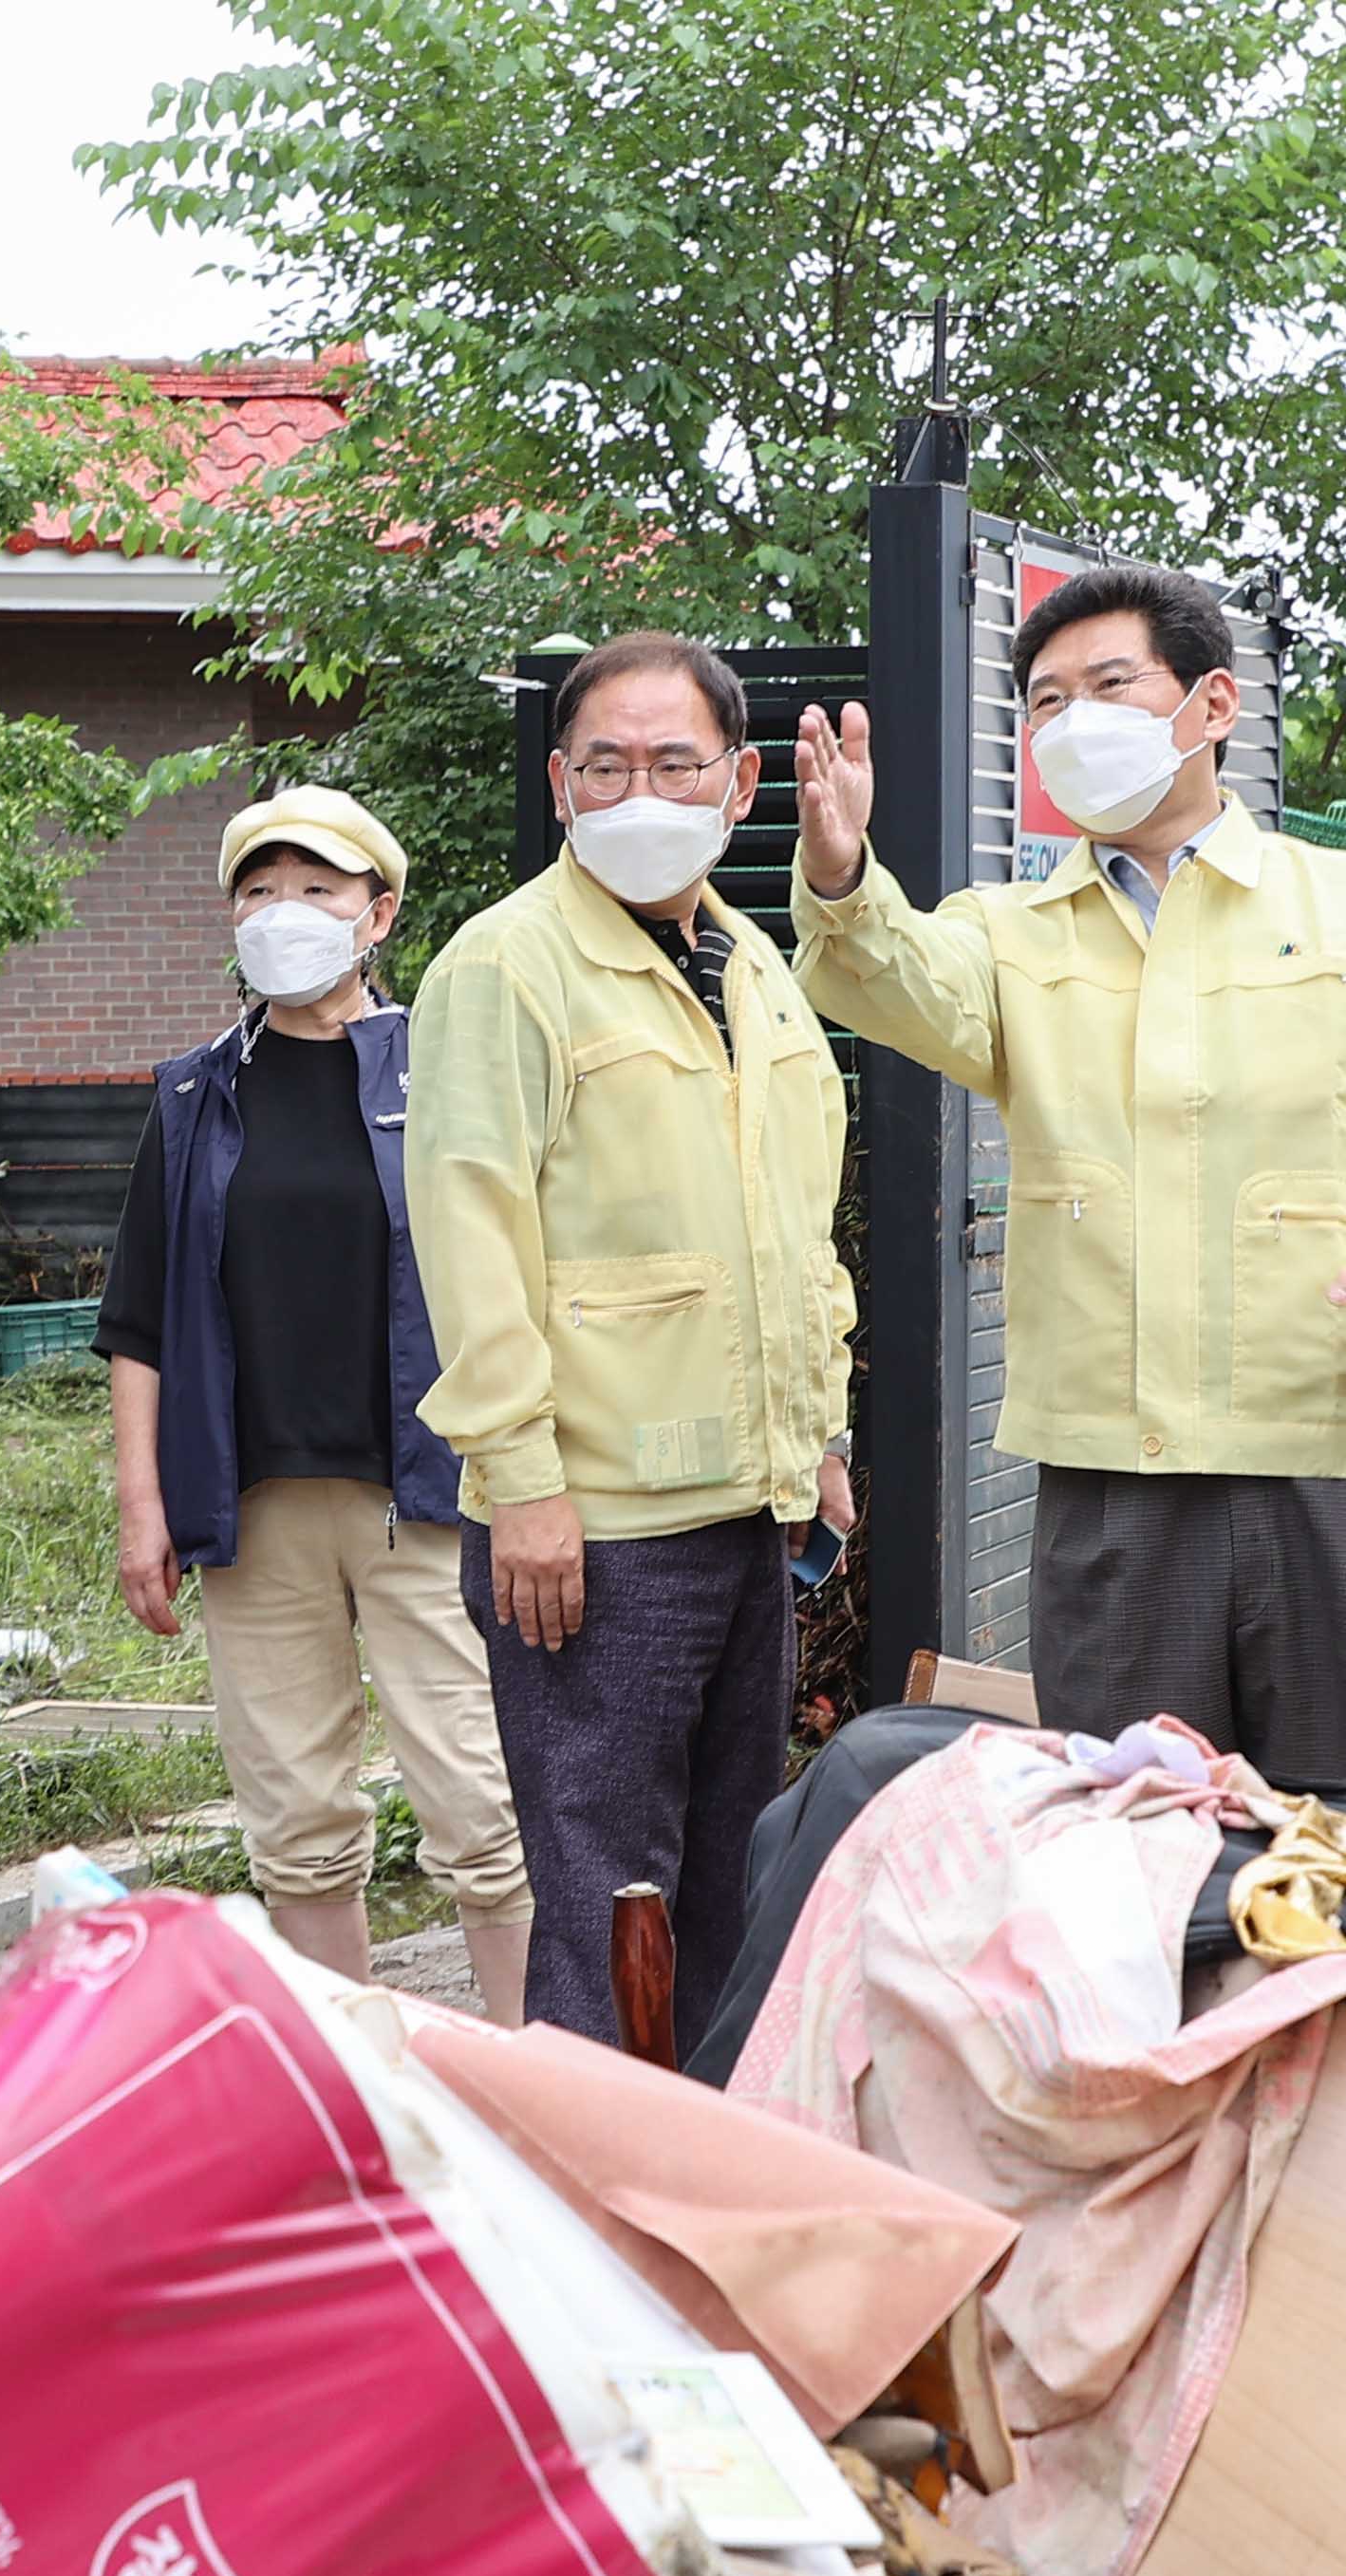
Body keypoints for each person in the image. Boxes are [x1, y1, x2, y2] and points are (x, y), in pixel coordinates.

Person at [785, 561, 1346, 1807]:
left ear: (1211, 707)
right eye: (1044, 703)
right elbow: (889, 979)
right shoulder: (1011, 936)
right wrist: (840, 881)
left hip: (1335, 1475)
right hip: (1112, 1495)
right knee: (1132, 1855)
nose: (1070, 721)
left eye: (1108, 684)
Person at [403, 632, 855, 2047]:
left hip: (747, 1508)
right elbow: (469, 1237)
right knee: (610, 1888)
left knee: (731, 1872)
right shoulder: (509, 965)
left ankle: (709, 2166)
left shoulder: (754, 961)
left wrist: (823, 1434)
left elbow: (796, 1228)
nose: (640, 789)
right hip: (592, 1525)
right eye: (607, 763)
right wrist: (522, 1478)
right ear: (560, 784)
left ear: (738, 786)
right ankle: (597, 2200)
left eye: (674, 762)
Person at [97, 787, 535, 2022]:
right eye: (260, 892)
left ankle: (523, 2074)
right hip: (255, 1508)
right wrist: (143, 1507)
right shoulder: (193, 1100)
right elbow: (138, 1321)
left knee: (482, 1805)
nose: (285, 914)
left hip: (427, 1501)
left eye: (317, 891)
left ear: (377, 914)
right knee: (295, 1818)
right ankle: (347, 2091)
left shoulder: (445, 1074)